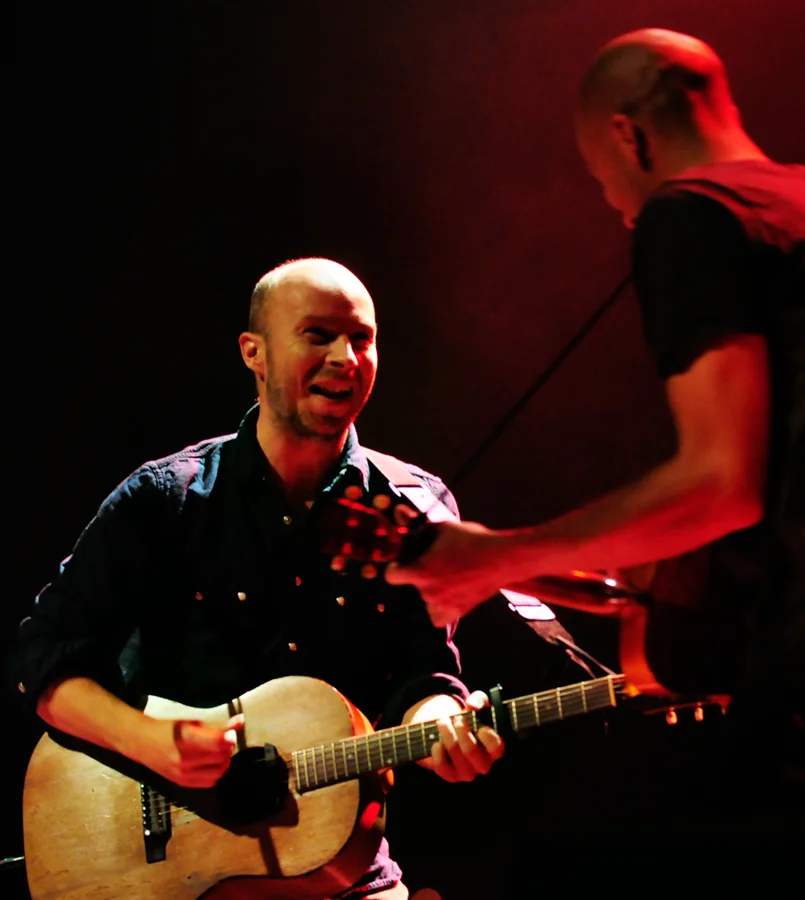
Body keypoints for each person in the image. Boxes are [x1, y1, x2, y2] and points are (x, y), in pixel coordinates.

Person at [386, 28, 804, 834]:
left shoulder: (691, 213)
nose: (616, 209)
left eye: (599, 177)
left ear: (627, 135)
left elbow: (722, 483)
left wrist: (497, 557)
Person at [9, 257, 504, 899]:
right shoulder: (166, 499)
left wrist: (443, 723)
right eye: (318, 335)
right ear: (254, 353)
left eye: (362, 338)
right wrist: (151, 742)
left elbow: (424, 673)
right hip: (174, 881)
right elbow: (42, 659)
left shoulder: (415, 509)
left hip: (344, 874)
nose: (346, 358)